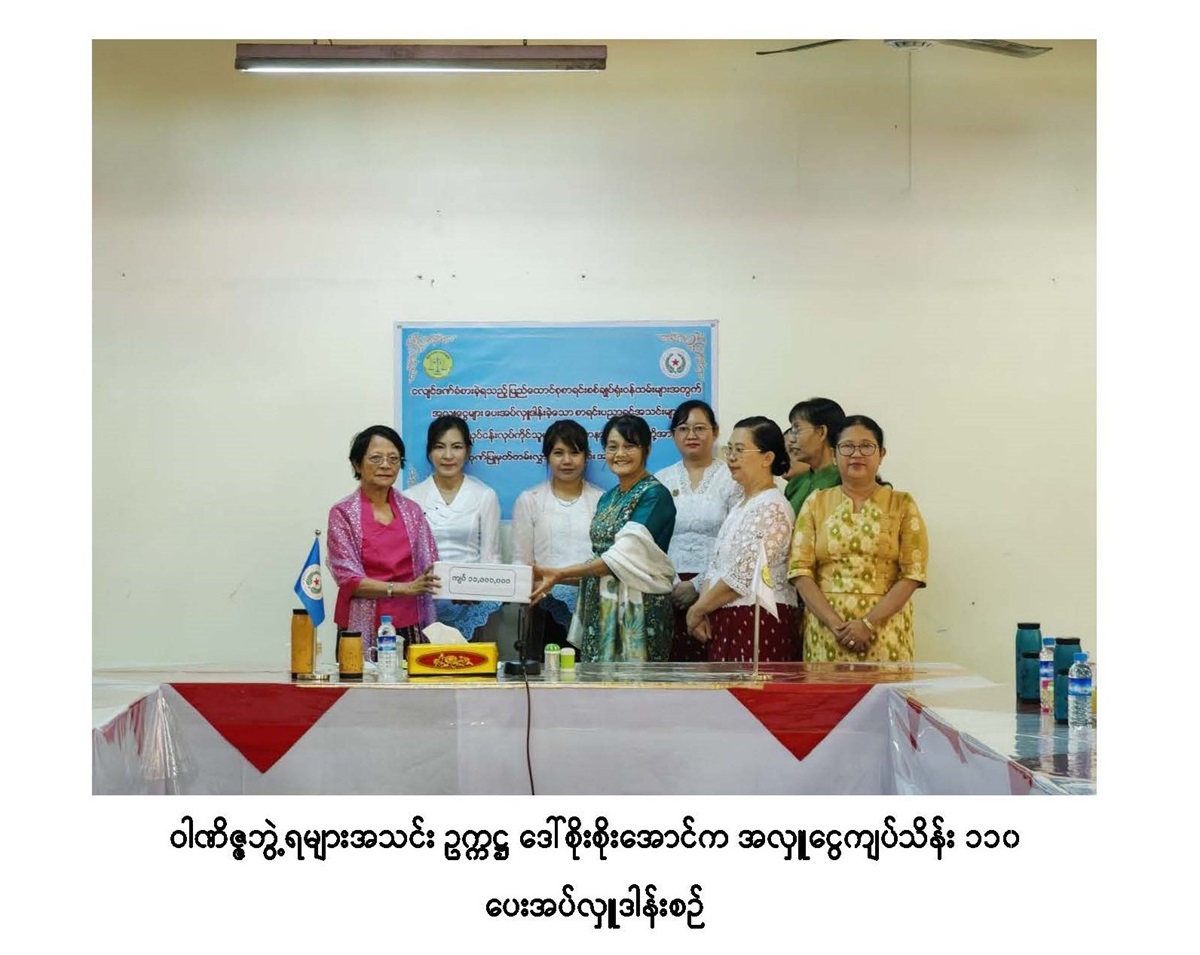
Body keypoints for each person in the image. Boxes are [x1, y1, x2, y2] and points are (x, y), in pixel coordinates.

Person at [531, 414, 676, 662]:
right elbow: (598, 560)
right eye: (612, 447)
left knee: (635, 682)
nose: (620, 454)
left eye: (629, 446)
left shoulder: (654, 496)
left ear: (647, 449)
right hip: (600, 607)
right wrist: (555, 578)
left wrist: (561, 573)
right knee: (596, 682)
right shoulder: (608, 498)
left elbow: (620, 559)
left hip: (637, 609)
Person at [787, 415, 928, 662]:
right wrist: (835, 624)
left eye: (866, 446)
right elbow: (800, 570)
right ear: (834, 453)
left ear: (881, 454)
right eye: (847, 446)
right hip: (827, 632)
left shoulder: (902, 504)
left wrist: (868, 623)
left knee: (885, 688)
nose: (856, 454)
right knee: (828, 688)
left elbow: (913, 574)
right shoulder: (816, 502)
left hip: (886, 631)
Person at [684, 417, 799, 661]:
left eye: (739, 450)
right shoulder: (739, 506)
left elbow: (742, 575)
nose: (731, 458)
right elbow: (716, 566)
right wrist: (704, 607)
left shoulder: (772, 507)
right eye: (729, 450)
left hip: (758, 619)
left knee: (755, 686)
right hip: (724, 618)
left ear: (767, 458)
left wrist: (697, 610)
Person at [326, 425, 441, 661]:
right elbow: (348, 579)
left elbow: (431, 564)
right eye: (376, 458)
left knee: (411, 684)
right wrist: (403, 589)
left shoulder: (412, 511)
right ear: (357, 464)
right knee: (358, 684)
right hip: (359, 624)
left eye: (393, 459)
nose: (386, 465)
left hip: (411, 621)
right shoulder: (343, 513)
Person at [654, 400, 742, 661]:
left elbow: (736, 540)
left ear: (715, 432)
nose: (691, 435)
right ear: (673, 435)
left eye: (700, 428)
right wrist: (671, 583)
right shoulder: (660, 480)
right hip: (666, 590)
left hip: (717, 589)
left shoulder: (732, 477)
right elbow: (652, 541)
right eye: (683, 429)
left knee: (711, 667)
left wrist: (696, 584)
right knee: (671, 667)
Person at [404, 415, 502, 641]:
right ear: (430, 452)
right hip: (423, 600)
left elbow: (491, 557)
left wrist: (477, 590)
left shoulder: (484, 496)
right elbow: (406, 558)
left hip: (471, 602)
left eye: (456, 447)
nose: (448, 455)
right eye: (440, 447)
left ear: (468, 451)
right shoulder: (410, 498)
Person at [511, 420, 604, 656]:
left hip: (594, 605)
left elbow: (607, 559)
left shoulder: (602, 500)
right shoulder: (530, 500)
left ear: (586, 457)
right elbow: (521, 561)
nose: (567, 461)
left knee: (590, 674)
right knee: (548, 674)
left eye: (575, 452)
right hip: (545, 607)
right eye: (558, 453)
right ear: (547, 457)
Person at [783, 397, 845, 516]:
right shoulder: (795, 483)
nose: (791, 439)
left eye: (797, 430)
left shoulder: (843, 482)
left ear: (821, 432)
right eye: (791, 431)